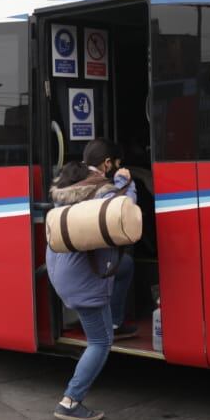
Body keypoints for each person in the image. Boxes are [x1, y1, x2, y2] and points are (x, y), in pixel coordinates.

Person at [46, 152, 139, 420]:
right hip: (84, 281)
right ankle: (70, 401)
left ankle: (117, 320)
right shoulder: (99, 198)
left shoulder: (62, 197)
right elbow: (125, 210)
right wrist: (126, 181)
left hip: (64, 273)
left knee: (126, 266)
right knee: (99, 342)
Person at [82, 138, 138, 340]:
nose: (118, 167)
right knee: (126, 264)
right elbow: (123, 210)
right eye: (117, 164)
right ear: (107, 163)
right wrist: (124, 182)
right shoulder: (101, 186)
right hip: (92, 261)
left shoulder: (73, 178)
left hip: (72, 259)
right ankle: (114, 321)